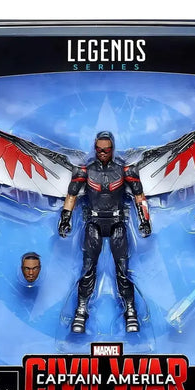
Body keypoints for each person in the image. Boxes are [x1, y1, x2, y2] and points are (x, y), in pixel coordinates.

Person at [58, 131, 151, 334]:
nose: (102, 153)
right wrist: (65, 218)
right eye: (99, 150)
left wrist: (144, 219)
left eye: (106, 150)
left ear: (112, 149)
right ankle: (81, 311)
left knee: (123, 271)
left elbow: (139, 195)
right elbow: (71, 195)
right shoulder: (85, 171)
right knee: (88, 269)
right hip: (94, 222)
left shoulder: (125, 169)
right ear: (95, 148)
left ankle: (130, 311)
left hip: (117, 222)